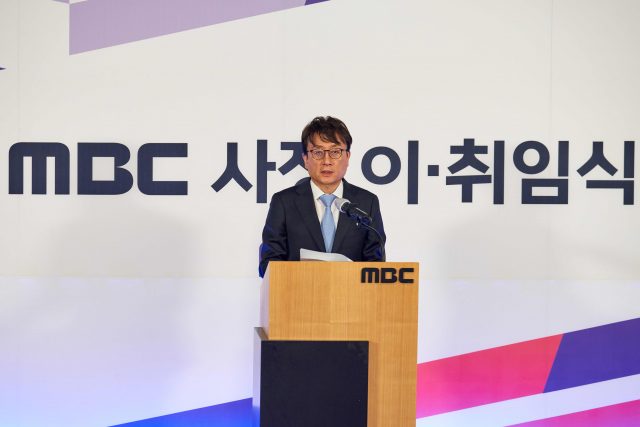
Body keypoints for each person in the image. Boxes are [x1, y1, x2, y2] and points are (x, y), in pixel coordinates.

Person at [259, 116, 386, 277]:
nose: (327, 161)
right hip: (299, 292)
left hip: (351, 293)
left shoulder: (367, 202)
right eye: (318, 152)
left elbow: (376, 267)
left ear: (347, 157)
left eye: (335, 152)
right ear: (305, 159)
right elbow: (268, 264)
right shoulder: (283, 202)